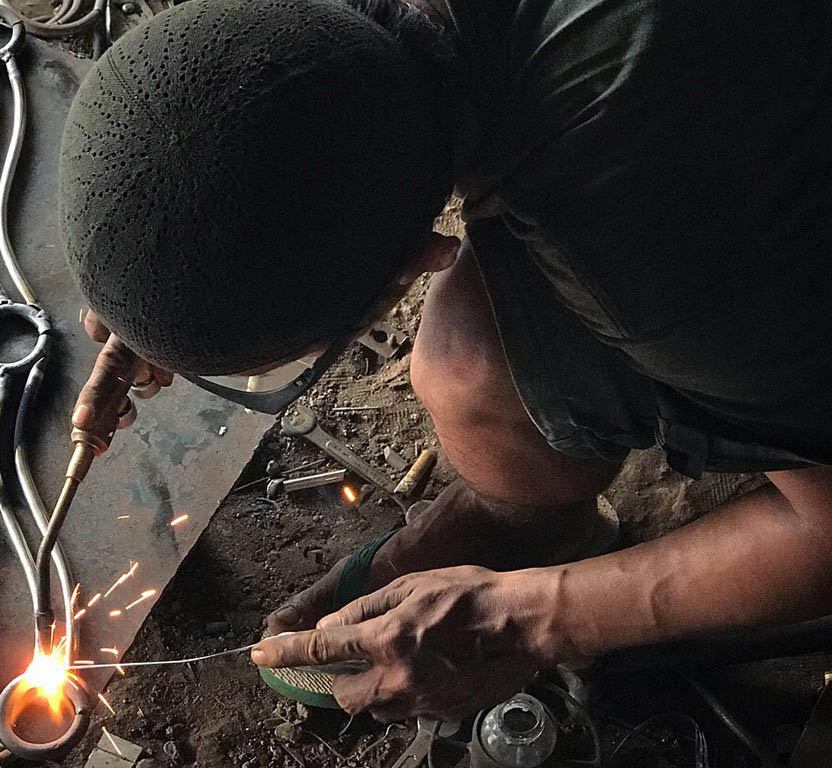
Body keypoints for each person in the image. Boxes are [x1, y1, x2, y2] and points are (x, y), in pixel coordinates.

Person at [59, 0, 832, 720]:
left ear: (417, 264)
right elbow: (221, 119)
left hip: (745, 152)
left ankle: (536, 568)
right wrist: (150, 281)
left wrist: (535, 619)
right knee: (468, 362)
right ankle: (529, 527)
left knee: (477, 362)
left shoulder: (658, 256)